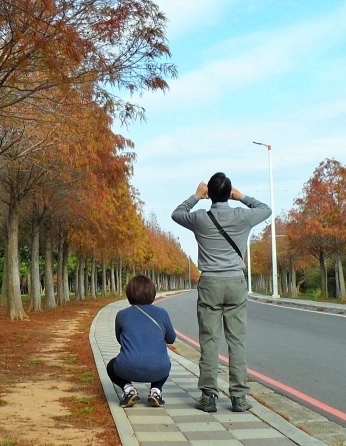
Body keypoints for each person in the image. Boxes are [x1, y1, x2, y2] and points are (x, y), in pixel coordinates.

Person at [172, 172, 271, 413]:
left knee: (209, 340)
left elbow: (177, 213)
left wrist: (196, 196)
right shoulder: (243, 216)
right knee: (237, 340)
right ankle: (239, 397)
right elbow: (265, 209)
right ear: (229, 194)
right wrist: (242, 197)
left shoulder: (200, 218)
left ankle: (209, 396)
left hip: (210, 283)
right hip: (235, 281)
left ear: (209, 194)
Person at [107, 274, 177, 408]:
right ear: (152, 293)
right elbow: (171, 339)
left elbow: (120, 340)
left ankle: (128, 390)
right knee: (164, 361)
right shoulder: (162, 313)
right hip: (159, 369)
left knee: (111, 366)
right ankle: (156, 391)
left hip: (127, 367)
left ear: (129, 293)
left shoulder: (122, 315)